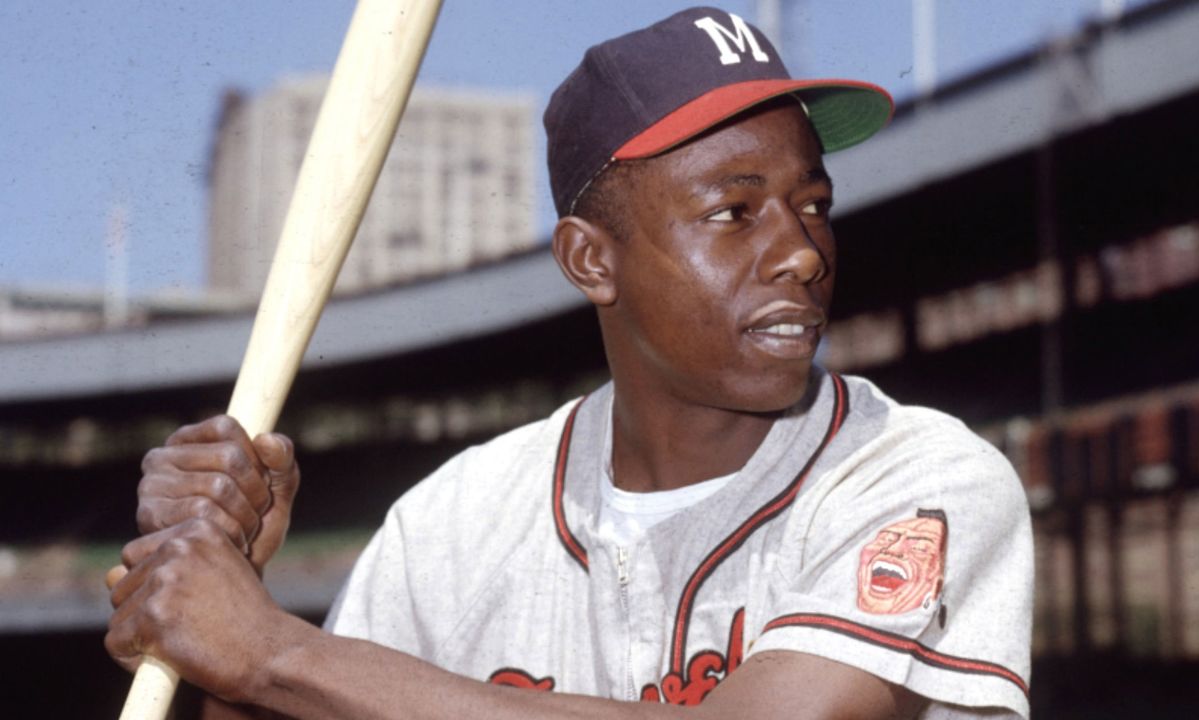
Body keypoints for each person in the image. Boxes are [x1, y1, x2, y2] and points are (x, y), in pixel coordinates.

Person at [106, 7, 1033, 719]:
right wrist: (223, 638)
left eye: (813, 205)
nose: (801, 251)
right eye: (733, 212)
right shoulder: (453, 527)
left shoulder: (917, 477)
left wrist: (273, 651)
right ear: (593, 260)